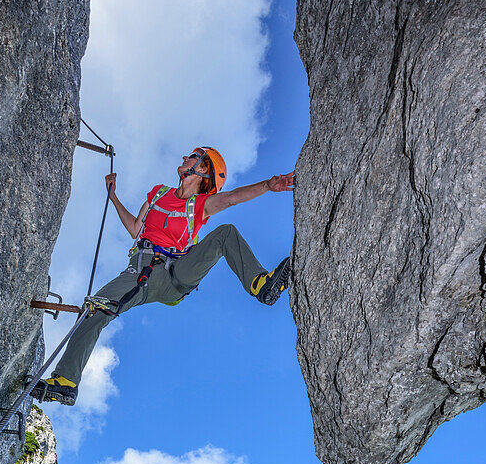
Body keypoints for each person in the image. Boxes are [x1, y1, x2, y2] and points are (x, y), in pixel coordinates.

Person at [32, 146, 295, 405]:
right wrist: (113, 197)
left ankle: (261, 285)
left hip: (177, 273)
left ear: (203, 169)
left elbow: (231, 198)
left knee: (225, 233)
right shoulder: (159, 194)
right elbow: (136, 228)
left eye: (192, 156)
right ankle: (65, 383)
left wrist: (268, 186)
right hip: (142, 270)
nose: (184, 156)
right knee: (95, 307)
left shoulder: (200, 205)